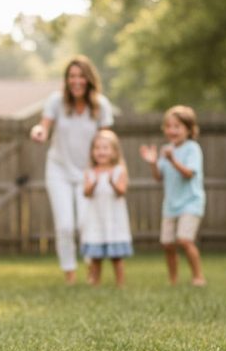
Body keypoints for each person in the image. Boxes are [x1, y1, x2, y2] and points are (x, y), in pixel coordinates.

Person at [30, 55, 114, 284]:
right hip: (59, 171)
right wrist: (39, 131)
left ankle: (91, 269)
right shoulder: (56, 102)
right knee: (65, 225)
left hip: (88, 173)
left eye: (81, 76)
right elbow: (44, 125)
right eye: (72, 77)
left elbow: (107, 139)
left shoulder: (101, 106)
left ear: (89, 79)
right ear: (67, 80)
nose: (76, 81)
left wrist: (103, 171)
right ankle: (69, 273)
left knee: (85, 224)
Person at [139, 105, 207, 286]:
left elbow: (189, 174)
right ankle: (173, 280)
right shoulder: (166, 149)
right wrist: (153, 163)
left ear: (189, 129)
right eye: (168, 126)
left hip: (191, 202)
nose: (172, 130)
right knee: (168, 244)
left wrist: (172, 160)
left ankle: (198, 277)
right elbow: (158, 177)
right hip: (170, 204)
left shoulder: (192, 148)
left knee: (184, 240)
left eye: (177, 126)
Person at [81, 130, 133, 287]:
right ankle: (95, 282)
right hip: (96, 218)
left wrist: (111, 182)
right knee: (95, 256)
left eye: (105, 148)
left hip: (113, 218)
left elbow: (121, 191)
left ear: (114, 151)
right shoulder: (90, 172)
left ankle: (120, 283)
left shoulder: (119, 170)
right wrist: (94, 183)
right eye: (97, 148)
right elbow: (86, 193)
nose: (100, 151)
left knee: (116, 257)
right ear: (92, 152)